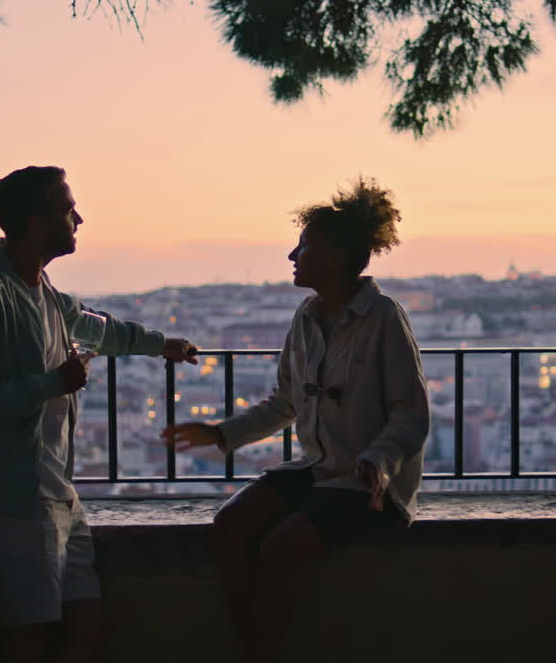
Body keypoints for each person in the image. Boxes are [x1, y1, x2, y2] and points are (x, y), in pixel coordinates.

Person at [0, 165, 197, 663]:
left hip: (51, 491)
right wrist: (54, 384)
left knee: (85, 628)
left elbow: (99, 329)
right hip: (10, 497)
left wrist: (162, 345)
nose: (80, 218)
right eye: (69, 209)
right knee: (31, 640)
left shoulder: (40, 291)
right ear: (38, 222)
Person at [160, 177, 429, 662]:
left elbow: (411, 413)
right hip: (324, 471)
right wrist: (222, 434)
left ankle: (258, 649)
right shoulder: (305, 318)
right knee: (230, 526)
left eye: (304, 245)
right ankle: (254, 643)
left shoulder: (384, 318)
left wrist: (377, 461)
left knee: (278, 551)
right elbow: (286, 402)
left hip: (369, 484)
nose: (292, 255)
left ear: (337, 257)